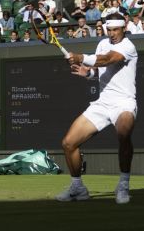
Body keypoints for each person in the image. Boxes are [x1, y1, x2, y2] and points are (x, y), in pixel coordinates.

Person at [59, 12, 138, 204]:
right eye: (108, 30)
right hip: (103, 102)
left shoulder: (128, 46)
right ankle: (78, 188)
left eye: (115, 30)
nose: (111, 33)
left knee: (124, 133)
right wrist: (88, 73)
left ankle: (123, 184)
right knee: (68, 143)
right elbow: (101, 70)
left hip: (124, 102)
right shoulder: (102, 44)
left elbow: (109, 60)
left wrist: (80, 57)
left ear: (124, 28)